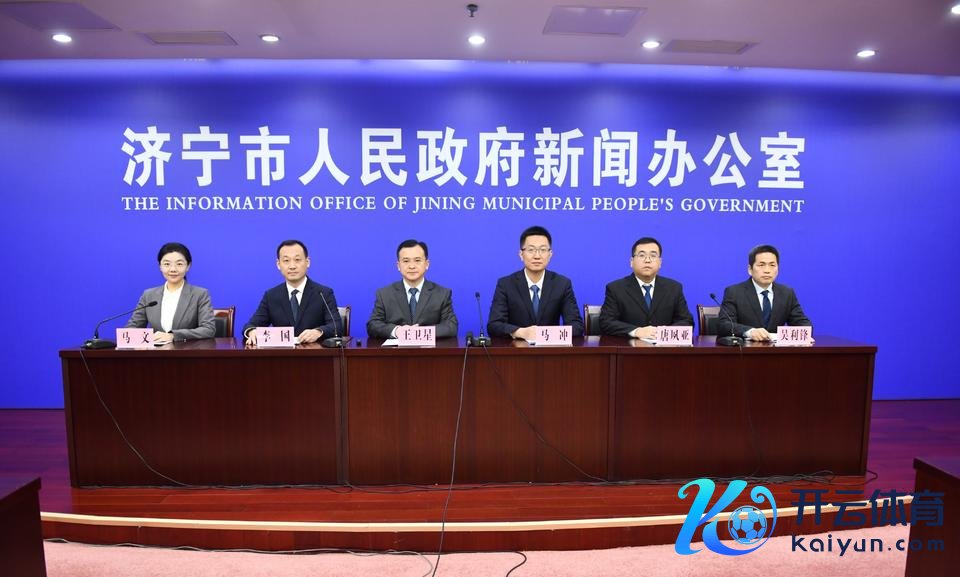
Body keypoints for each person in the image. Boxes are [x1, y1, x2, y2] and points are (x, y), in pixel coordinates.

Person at [487, 225, 584, 339]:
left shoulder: (562, 284)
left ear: (550, 255)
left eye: (543, 250)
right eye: (531, 250)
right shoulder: (506, 284)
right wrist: (520, 332)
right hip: (517, 348)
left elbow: (577, 326)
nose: (537, 256)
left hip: (551, 348)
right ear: (521, 254)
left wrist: (545, 335)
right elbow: (494, 325)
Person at [243, 240, 342, 345]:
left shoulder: (323, 293)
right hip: (282, 354)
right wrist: (252, 332)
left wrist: (318, 332)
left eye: (297, 260)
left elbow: (336, 326)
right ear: (278, 264)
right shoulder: (271, 296)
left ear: (307, 262)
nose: (292, 266)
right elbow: (251, 325)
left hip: (314, 352)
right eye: (286, 261)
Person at [599, 237, 694, 338]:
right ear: (631, 262)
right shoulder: (616, 288)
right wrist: (636, 331)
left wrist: (663, 333)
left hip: (664, 346)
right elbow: (606, 322)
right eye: (642, 255)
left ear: (660, 262)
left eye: (653, 255)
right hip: (629, 346)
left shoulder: (674, 288)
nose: (647, 260)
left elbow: (687, 321)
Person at [366, 239, 458, 339]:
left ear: (427, 264)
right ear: (398, 266)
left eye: (417, 260)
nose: (412, 266)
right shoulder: (384, 294)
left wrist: (420, 333)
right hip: (395, 349)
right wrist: (397, 331)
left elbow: (451, 326)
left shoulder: (442, 294)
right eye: (406, 261)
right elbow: (373, 325)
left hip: (429, 348)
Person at [717, 244, 811, 341]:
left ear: (777, 269)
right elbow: (724, 325)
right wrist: (749, 332)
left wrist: (802, 333)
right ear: (750, 269)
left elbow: (803, 324)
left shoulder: (786, 293)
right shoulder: (734, 292)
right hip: (745, 348)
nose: (767, 270)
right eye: (761, 265)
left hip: (776, 349)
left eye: (772, 265)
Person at [126, 242, 216, 341]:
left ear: (188, 266)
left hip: (187, 349)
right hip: (156, 350)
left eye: (179, 264)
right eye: (167, 264)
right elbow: (133, 327)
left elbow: (208, 329)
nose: (173, 269)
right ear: (160, 266)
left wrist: (173, 336)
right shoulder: (149, 295)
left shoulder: (200, 294)